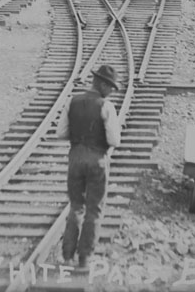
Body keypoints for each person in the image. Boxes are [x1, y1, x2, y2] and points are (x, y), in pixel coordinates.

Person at [55, 65, 122, 269]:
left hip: (75, 159)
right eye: (111, 87)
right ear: (102, 85)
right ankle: (84, 258)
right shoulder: (106, 106)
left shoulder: (72, 101)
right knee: (94, 209)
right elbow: (114, 140)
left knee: (76, 206)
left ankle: (67, 255)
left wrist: (79, 138)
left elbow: (61, 133)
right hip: (97, 161)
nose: (111, 91)